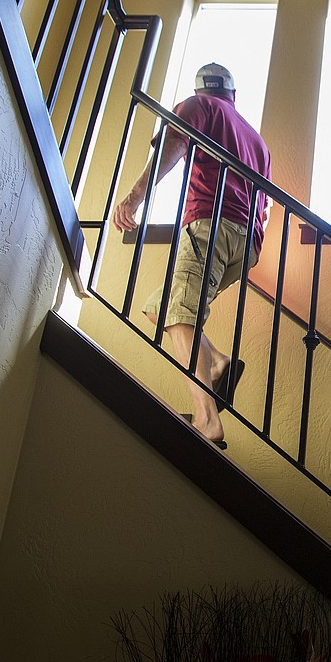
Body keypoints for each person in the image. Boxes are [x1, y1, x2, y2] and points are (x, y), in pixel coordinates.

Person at [112, 62, 271, 449]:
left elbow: (174, 144)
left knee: (180, 316)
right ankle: (217, 363)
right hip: (247, 243)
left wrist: (134, 196)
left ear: (202, 89)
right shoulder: (256, 140)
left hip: (209, 225)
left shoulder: (197, 106)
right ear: (233, 94)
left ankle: (206, 418)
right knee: (162, 307)